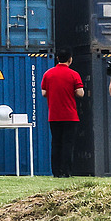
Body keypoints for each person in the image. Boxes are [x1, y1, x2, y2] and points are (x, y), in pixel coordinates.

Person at [41, 49, 85, 178]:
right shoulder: (74, 74)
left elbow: (44, 93)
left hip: (54, 115)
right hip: (70, 116)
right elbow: (80, 92)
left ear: (57, 58)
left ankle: (56, 172)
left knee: (56, 143)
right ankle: (66, 171)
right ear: (70, 59)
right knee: (68, 144)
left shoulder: (48, 74)